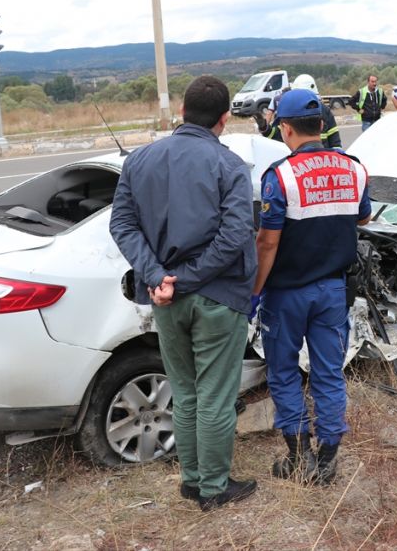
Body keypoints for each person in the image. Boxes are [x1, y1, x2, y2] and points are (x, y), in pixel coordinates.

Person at [109, 75, 258, 511]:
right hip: (216, 298)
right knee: (213, 394)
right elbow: (235, 237)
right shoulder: (229, 166)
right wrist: (182, 278)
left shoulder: (139, 161)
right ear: (225, 118)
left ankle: (193, 481)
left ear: (181, 112)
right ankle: (212, 487)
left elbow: (122, 224)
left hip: (166, 298)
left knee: (186, 390)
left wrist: (158, 276)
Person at [252, 88, 371, 486]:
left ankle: (299, 455)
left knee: (284, 373)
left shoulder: (279, 177)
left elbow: (267, 242)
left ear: (285, 129)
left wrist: (253, 293)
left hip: (286, 294)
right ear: (321, 126)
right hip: (333, 291)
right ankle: (328, 459)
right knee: (328, 372)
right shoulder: (354, 168)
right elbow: (363, 218)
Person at [258, 87, 342, 148]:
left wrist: (265, 129)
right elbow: (336, 142)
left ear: (287, 129)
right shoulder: (349, 165)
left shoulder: (281, 171)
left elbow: (276, 135)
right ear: (321, 125)